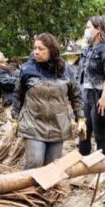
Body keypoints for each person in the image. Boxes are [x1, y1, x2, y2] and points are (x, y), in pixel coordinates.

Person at [11, 33, 85, 169]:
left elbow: (75, 95)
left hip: (58, 125)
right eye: (35, 48)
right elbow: (18, 94)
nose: (36, 52)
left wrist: (80, 117)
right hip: (33, 123)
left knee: (52, 167)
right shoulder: (28, 69)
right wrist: (15, 118)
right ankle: (26, 187)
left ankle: (44, 191)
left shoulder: (66, 70)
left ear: (51, 50)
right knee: (35, 162)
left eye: (41, 49)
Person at [78, 16, 105, 157]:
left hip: (100, 95)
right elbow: (81, 75)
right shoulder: (88, 49)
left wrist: (104, 97)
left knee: (100, 134)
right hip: (86, 94)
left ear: (98, 29)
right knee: (83, 132)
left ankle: (101, 171)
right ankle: (84, 167)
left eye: (88, 27)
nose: (86, 31)